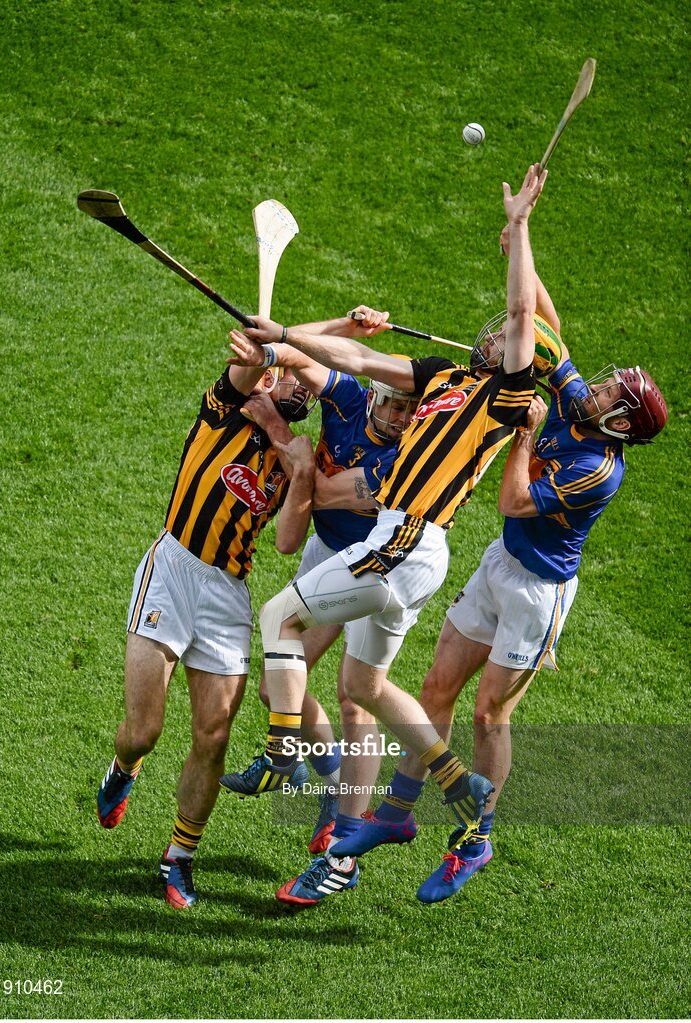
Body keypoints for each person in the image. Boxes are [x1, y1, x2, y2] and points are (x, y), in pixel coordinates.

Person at [220, 164, 547, 904]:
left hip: (409, 541)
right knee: (360, 686)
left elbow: (526, 318)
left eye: (505, 335)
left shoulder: (505, 398)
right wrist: (281, 341)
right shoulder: (440, 376)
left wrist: (520, 226)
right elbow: (360, 360)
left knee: (278, 616)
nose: (496, 333)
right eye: (493, 332)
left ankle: (280, 751)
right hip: (406, 548)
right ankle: (389, 826)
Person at [333, 226, 669, 905]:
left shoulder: (598, 468)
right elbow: (546, 322)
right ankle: (392, 819)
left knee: (490, 714)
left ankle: (474, 839)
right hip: (498, 566)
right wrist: (521, 235)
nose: (596, 389)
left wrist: (521, 433)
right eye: (604, 385)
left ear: (623, 425)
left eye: (611, 394)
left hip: (538, 596)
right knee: (434, 688)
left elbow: (515, 500)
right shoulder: (580, 408)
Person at [95, 352, 317, 910]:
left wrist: (304, 474)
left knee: (213, 736)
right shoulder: (224, 411)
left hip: (227, 596)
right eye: (294, 372)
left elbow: (288, 541)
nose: (303, 388)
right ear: (270, 374)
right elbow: (247, 359)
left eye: (310, 385)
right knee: (144, 729)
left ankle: (179, 857)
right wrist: (268, 351)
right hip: (171, 572)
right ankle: (125, 765)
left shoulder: (295, 458)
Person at [228, 310, 423, 853]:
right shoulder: (350, 397)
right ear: (375, 394)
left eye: (409, 408)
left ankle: (342, 814)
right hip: (323, 552)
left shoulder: (402, 459)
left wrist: (273, 426)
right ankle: (331, 779)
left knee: (354, 698)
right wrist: (272, 348)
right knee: (275, 687)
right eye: (393, 403)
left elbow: (318, 491)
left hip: (365, 566)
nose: (399, 416)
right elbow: (302, 359)